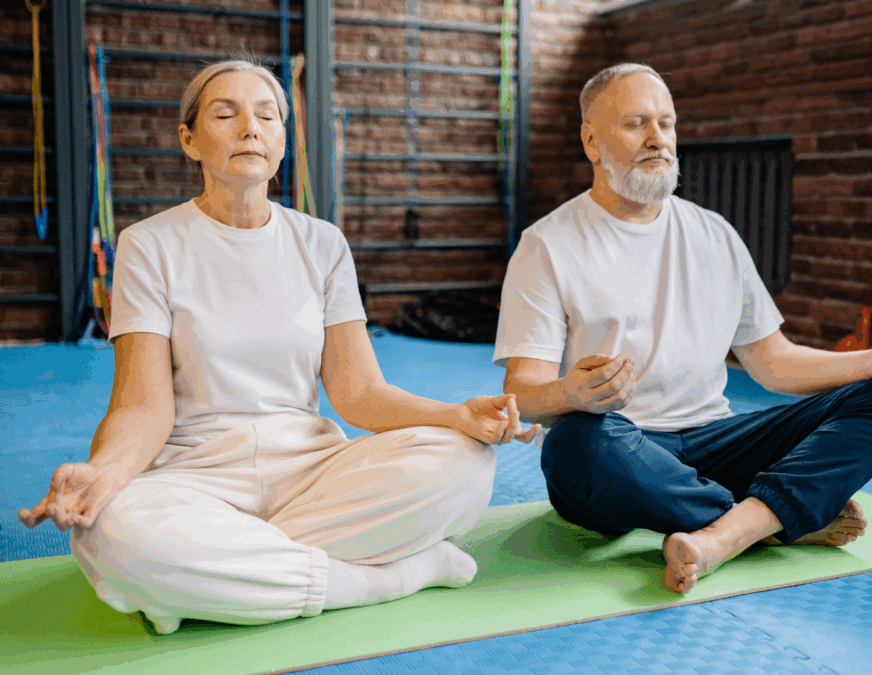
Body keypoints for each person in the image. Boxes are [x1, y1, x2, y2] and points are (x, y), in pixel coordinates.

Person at [17, 60, 539, 635]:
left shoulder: (322, 244)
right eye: (226, 113)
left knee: (464, 463)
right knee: (109, 532)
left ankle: (209, 579)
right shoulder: (148, 246)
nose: (250, 128)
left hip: (311, 470)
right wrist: (104, 473)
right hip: (195, 476)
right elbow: (142, 407)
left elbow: (357, 392)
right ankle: (390, 577)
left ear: (283, 142)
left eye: (267, 115)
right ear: (189, 140)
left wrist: (454, 415)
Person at [494, 63, 872, 594]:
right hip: (620, 448)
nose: (658, 138)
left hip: (716, 444)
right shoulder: (547, 245)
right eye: (637, 123)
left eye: (667, 123)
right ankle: (773, 522)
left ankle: (728, 533)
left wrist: (869, 363)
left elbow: (771, 361)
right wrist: (570, 392)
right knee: (572, 443)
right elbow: (522, 394)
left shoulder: (714, 234)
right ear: (592, 140)